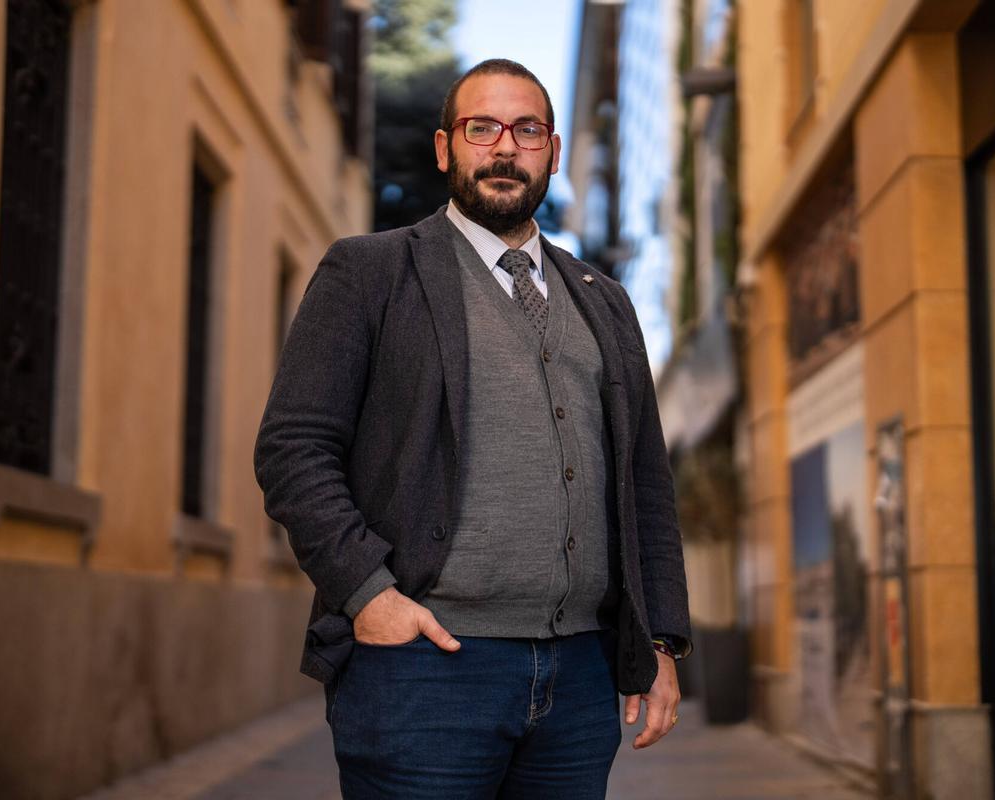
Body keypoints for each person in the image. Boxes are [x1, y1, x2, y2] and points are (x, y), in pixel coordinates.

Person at [254, 58, 691, 799]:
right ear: (444, 148)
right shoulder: (371, 272)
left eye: (526, 130)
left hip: (581, 678)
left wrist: (660, 642)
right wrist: (370, 595)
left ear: (551, 152)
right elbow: (294, 449)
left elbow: (645, 482)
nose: (504, 147)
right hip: (426, 668)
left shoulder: (605, 300)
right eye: (480, 127)